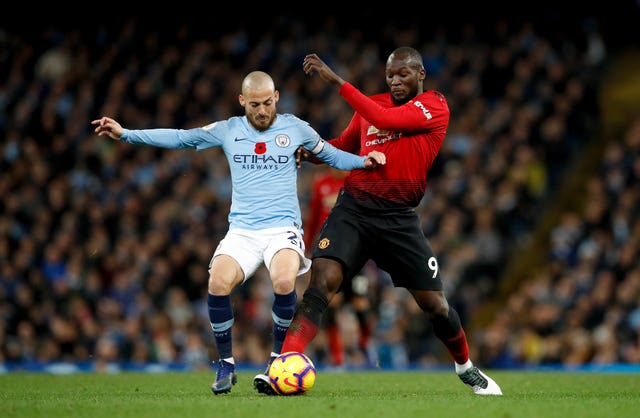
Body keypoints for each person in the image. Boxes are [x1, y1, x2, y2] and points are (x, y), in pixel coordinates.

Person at [91, 70, 386, 395]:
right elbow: (180, 137)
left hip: (283, 229)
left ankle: (276, 363)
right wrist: (126, 134)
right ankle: (226, 366)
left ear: (276, 98)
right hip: (242, 231)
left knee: (285, 281)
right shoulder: (230, 130)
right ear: (242, 101)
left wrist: (363, 161)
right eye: (254, 104)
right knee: (217, 282)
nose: (261, 111)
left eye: (267, 103)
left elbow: (331, 155)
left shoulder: (296, 127)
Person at [279, 47, 502, 395]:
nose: (396, 81)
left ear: (421, 74)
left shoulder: (435, 106)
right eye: (391, 76)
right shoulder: (372, 106)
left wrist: (337, 81)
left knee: (436, 306)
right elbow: (343, 145)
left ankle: (466, 367)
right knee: (321, 283)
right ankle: (285, 363)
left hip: (398, 219)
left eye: (404, 74)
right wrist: (313, 154)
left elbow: (388, 121)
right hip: (353, 210)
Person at [303, 167, 372, 367]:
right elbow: (314, 218)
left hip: (356, 253)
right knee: (332, 303)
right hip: (330, 253)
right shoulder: (321, 183)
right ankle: (337, 356)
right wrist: (307, 248)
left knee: (360, 303)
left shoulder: (357, 181)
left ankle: (365, 345)